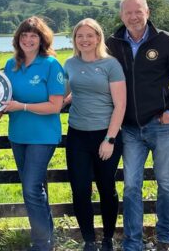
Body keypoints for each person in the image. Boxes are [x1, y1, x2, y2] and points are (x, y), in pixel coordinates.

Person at [106, 0, 169, 251]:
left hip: (161, 126)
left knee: (166, 183)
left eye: (138, 11)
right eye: (128, 13)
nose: (133, 17)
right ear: (122, 15)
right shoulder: (112, 44)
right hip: (130, 128)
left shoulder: (165, 41)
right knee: (132, 186)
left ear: (148, 12)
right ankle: (133, 243)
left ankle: (165, 238)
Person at [2, 16, 65, 251]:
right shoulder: (11, 65)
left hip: (43, 136)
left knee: (30, 188)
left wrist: (22, 106)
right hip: (18, 135)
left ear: (42, 39)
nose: (28, 40)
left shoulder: (51, 65)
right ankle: (48, 239)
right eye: (24, 36)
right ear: (18, 39)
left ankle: (40, 244)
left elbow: (55, 106)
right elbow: (4, 98)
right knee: (35, 190)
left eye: (33, 36)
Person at [63, 18, 126, 251]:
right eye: (80, 36)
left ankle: (108, 238)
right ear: (75, 39)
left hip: (106, 135)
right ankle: (89, 240)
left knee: (106, 187)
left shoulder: (111, 65)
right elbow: (62, 95)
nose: (85, 40)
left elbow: (120, 105)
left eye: (90, 35)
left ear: (98, 38)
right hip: (77, 135)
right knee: (80, 189)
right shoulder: (69, 63)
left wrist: (109, 139)